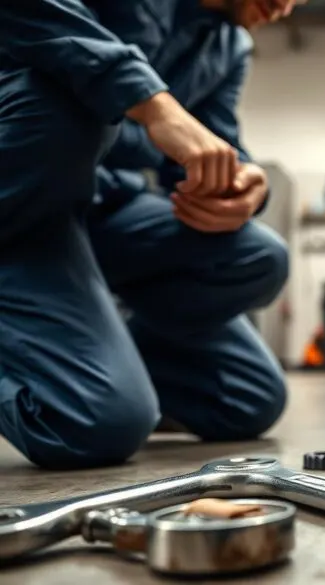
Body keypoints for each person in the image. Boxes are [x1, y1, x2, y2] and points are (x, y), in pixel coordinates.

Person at [0, 0, 301, 470]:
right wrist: (153, 103)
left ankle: (100, 352)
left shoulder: (228, 44)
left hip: (104, 212)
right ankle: (84, 375)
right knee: (95, 424)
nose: (287, 6)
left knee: (247, 391)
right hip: (27, 200)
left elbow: (216, 141)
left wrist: (246, 183)